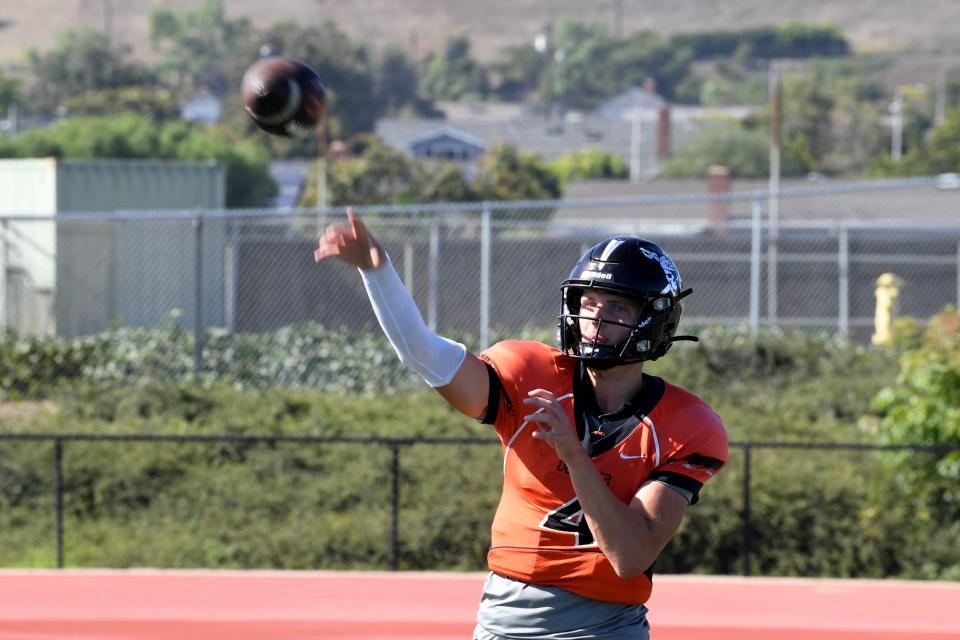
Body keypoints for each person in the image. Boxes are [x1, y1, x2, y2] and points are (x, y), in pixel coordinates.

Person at [314, 210, 728, 640]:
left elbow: (629, 556)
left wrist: (574, 454)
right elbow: (426, 357)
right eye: (588, 303)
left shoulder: (686, 425)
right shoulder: (530, 372)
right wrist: (377, 271)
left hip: (604, 627)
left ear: (656, 319)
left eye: (617, 306)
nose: (595, 319)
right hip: (503, 618)